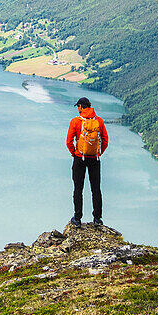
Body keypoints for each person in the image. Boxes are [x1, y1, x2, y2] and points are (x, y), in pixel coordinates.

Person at [66, 97, 108, 226]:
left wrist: (75, 153)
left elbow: (69, 141)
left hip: (80, 158)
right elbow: (105, 140)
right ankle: (97, 218)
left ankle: (77, 218)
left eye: (78, 107)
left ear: (80, 106)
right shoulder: (99, 121)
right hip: (94, 158)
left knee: (78, 189)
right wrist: (98, 153)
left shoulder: (76, 121)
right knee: (96, 189)